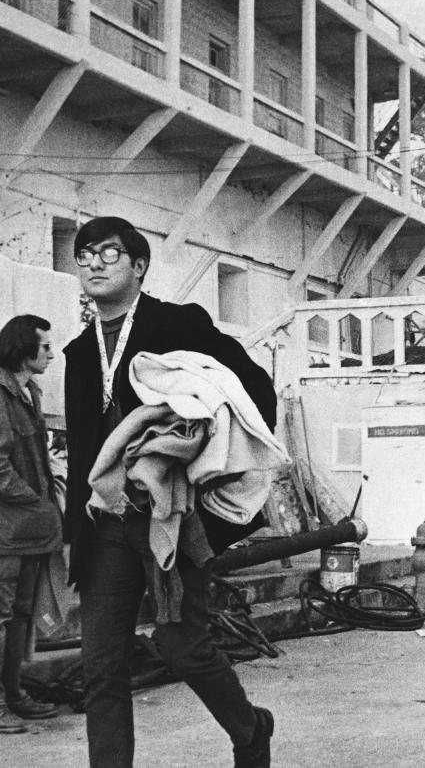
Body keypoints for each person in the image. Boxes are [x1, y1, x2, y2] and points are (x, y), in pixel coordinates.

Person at [63, 217, 278, 768]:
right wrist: (73, 535)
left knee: (182, 646)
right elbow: (86, 449)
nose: (93, 263)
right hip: (107, 523)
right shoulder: (78, 353)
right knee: (101, 665)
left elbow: (253, 391)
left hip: (172, 519)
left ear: (139, 266)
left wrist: (218, 479)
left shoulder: (177, 324)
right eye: (84, 254)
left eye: (107, 253)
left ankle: (250, 728)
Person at [0, 315, 61, 734]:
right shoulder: (1, 395)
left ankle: (14, 695)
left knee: (19, 616)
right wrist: (37, 501)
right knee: (3, 617)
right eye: (45, 347)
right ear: (25, 351)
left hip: (28, 530)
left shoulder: (28, 391)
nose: (51, 353)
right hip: (8, 530)